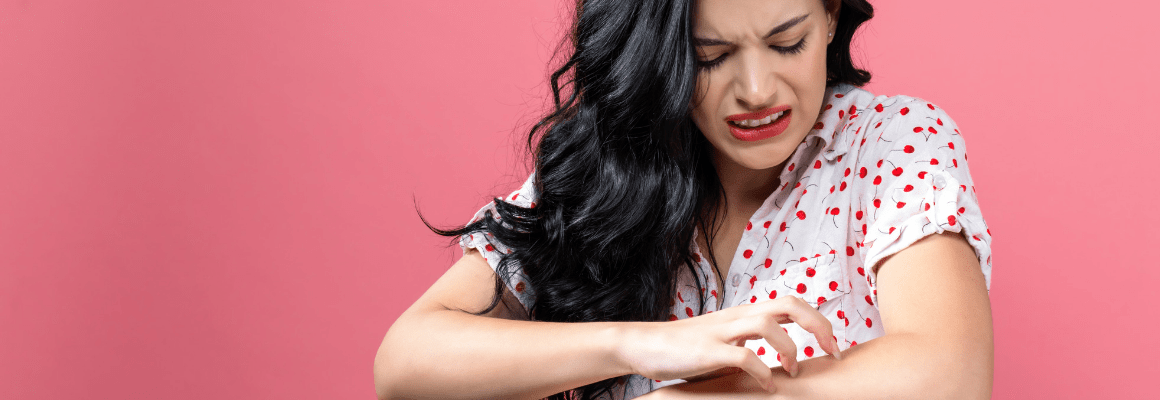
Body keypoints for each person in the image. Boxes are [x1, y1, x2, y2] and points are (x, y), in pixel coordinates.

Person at [374, 0, 994, 398]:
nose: (757, 90)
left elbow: (951, 372)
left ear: (830, 17)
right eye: (711, 57)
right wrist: (635, 342)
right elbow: (407, 364)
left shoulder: (889, 142)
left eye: (787, 43)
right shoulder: (609, 167)